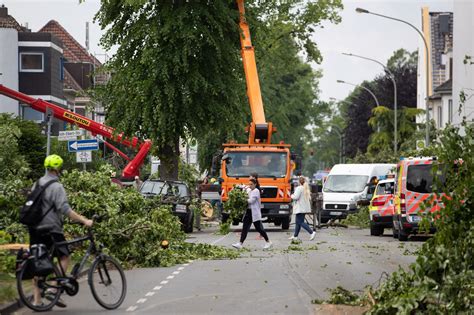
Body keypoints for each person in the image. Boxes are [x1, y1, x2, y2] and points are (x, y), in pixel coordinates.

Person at [29, 154, 93, 307]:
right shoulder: (57, 186)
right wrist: (84, 220)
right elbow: (64, 209)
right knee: (64, 257)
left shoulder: (36, 184)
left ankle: (37, 301)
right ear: (57, 169)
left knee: (38, 261)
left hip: (34, 228)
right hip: (52, 229)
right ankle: (53, 288)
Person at [232, 178, 272, 250]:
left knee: (259, 228)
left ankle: (268, 241)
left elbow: (251, 201)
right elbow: (243, 187)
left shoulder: (256, 191)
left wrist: (242, 199)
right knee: (245, 228)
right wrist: (238, 186)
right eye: (249, 184)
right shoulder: (249, 189)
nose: (250, 186)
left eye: (251, 184)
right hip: (248, 212)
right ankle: (240, 243)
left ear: (255, 185)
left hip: (255, 212)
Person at [289, 176, 316, 241]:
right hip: (303, 208)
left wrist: (291, 195)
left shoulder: (299, 188)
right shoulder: (305, 188)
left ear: (299, 182)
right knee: (297, 222)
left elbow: (296, 197)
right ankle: (295, 236)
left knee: (300, 222)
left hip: (300, 208)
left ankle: (312, 232)